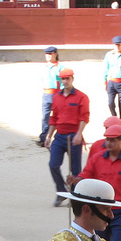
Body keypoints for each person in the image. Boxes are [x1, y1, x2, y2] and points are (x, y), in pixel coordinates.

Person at [45, 68, 89, 206]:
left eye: (67, 78)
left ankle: (75, 196)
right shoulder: (56, 97)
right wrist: (48, 136)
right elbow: (54, 118)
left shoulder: (81, 97)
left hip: (73, 136)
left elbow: (84, 117)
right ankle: (61, 191)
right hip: (60, 136)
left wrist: (78, 134)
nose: (65, 81)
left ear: (72, 79)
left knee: (75, 169)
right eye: (63, 79)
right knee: (53, 164)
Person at [37, 46, 62, 147]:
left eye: (50, 54)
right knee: (45, 116)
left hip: (57, 94)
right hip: (46, 94)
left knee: (58, 116)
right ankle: (44, 137)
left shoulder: (60, 68)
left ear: (55, 54)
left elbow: (63, 82)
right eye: (47, 54)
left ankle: (57, 136)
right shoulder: (45, 67)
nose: (48, 56)